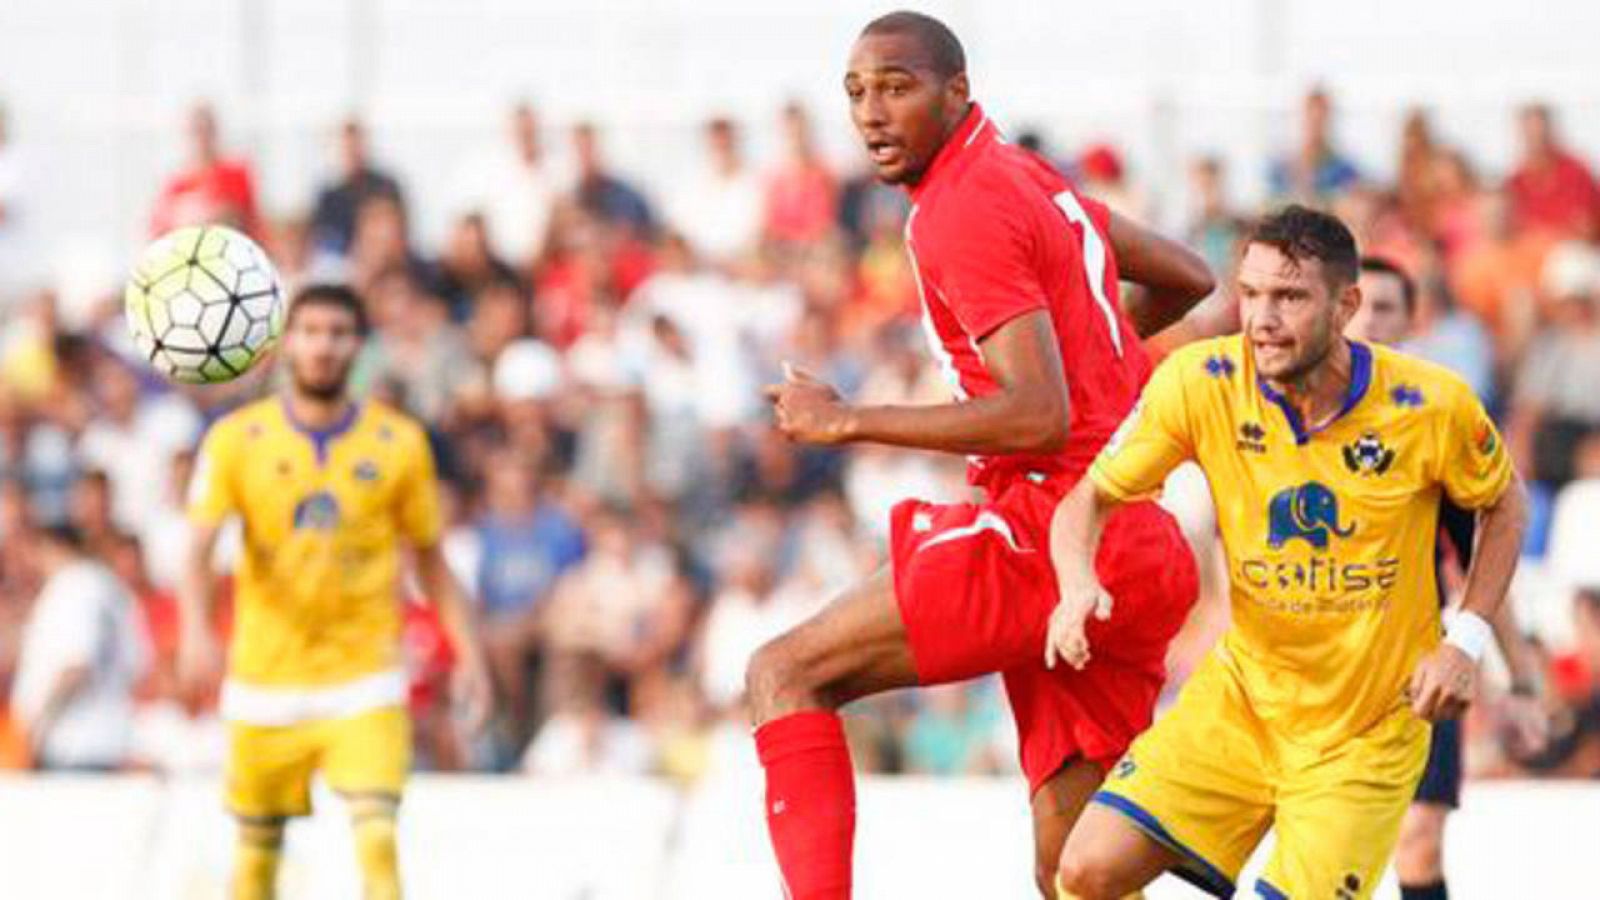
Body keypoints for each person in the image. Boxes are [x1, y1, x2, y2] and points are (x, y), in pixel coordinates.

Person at [746, 12, 1215, 898]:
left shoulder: (955, 210)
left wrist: (849, 421)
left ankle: (1216, 816)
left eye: (897, 87)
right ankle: (1203, 826)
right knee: (1076, 875)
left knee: (786, 672)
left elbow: (1038, 417)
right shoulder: (1031, 178)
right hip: (1136, 539)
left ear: (957, 92)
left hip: (1052, 530)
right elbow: (1189, 275)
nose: (872, 113)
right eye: (856, 92)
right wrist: (1099, 365)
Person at [1048, 206, 1528, 900]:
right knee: (1087, 869)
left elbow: (1505, 501)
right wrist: (1075, 582)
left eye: (1289, 296)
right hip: (1243, 701)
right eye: (1250, 293)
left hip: (1363, 735)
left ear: (1346, 306)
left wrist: (1468, 640)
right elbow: (1086, 500)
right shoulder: (1203, 381)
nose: (1262, 318)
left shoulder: (1431, 405)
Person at [177, 284, 492, 900]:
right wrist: (194, 630)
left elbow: (431, 560)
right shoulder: (237, 439)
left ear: (359, 346)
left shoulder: (399, 442)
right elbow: (195, 550)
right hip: (265, 675)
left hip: (365, 674)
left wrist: (470, 652)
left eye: (338, 333)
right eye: (311, 331)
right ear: (288, 342)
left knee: (377, 841)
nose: (323, 346)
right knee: (254, 861)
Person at [1349, 256, 1548, 900]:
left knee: (1420, 837)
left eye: (1386, 308)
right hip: (1313, 665)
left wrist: (1518, 679)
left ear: (1412, 321)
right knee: (1327, 853)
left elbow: (1485, 555)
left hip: (1415, 663)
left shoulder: (1434, 423)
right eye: (1360, 305)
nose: (1370, 321)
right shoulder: (1282, 417)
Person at [9, 524, 145, 771]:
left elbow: (76, 666)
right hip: (101, 741)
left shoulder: (76, 586)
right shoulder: (107, 586)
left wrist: (35, 728)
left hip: (75, 746)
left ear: (49, 546)